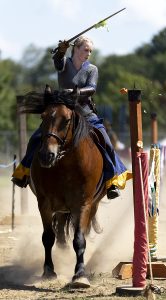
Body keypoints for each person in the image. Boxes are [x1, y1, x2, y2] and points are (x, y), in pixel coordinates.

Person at [12, 35, 132, 199]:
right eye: (85, 49)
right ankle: (24, 172)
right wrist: (60, 52)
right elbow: (57, 62)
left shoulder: (92, 69)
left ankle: (112, 181)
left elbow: (91, 89)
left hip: (85, 113)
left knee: (107, 142)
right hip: (63, 110)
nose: (88, 53)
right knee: (36, 138)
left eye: (90, 51)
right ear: (75, 48)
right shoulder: (65, 64)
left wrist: (74, 93)